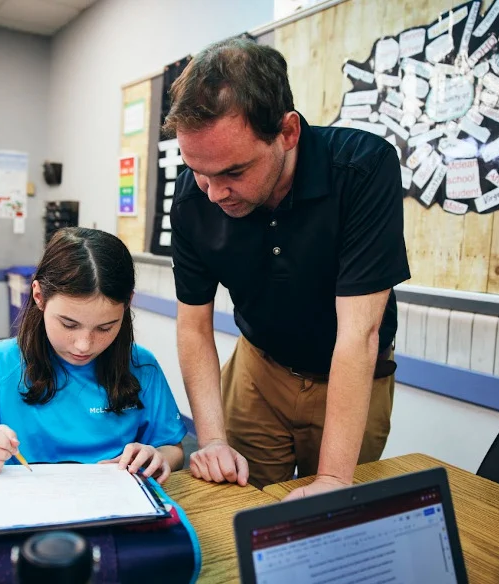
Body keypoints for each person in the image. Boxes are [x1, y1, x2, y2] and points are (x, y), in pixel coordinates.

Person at [165, 38, 410, 498]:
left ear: (288, 132)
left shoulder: (362, 169)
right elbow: (193, 328)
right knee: (237, 505)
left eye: (234, 172)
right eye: (199, 170)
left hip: (352, 373)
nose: (214, 193)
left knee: (333, 517)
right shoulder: (193, 199)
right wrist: (213, 438)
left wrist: (334, 478)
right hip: (258, 370)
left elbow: (359, 334)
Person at [0, 227, 186, 484]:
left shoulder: (142, 366)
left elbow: (173, 448)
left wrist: (156, 456)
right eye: (68, 324)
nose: (84, 345)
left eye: (106, 327)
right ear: (38, 296)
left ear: (127, 304)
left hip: (116, 516)